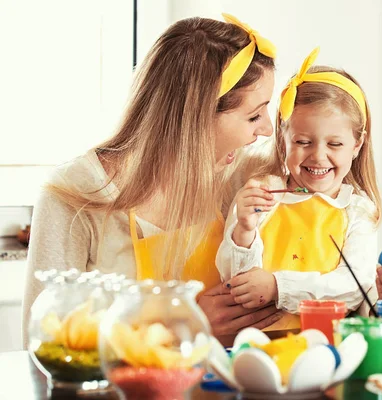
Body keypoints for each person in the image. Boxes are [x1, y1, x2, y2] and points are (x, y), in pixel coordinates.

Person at [22, 14, 284, 345]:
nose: (266, 130)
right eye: (253, 115)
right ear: (196, 118)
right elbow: (45, 347)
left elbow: (326, 177)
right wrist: (186, 327)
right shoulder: (73, 195)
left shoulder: (237, 177)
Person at [216, 48, 381, 328]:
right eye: (303, 142)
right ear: (283, 139)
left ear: (357, 145)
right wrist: (243, 230)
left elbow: (353, 288)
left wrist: (278, 287)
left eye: (335, 144)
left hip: (326, 350)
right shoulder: (262, 192)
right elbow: (235, 283)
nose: (318, 156)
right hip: (257, 348)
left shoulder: (358, 211)